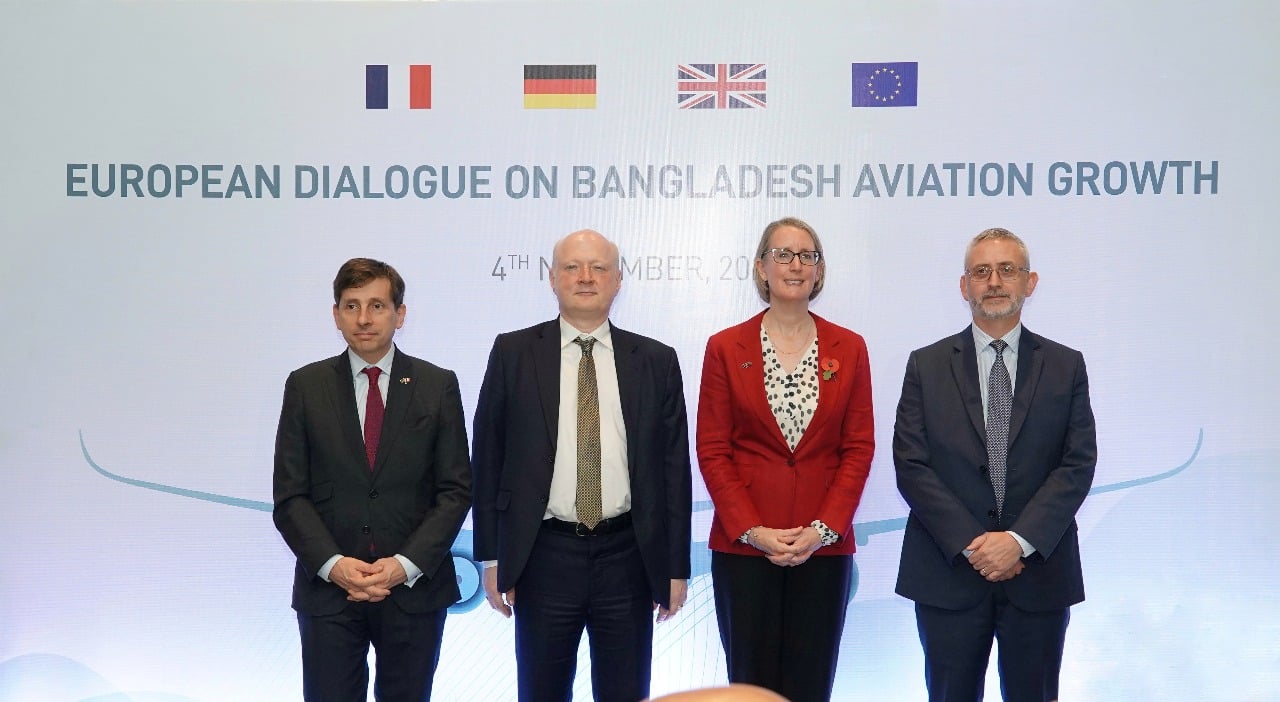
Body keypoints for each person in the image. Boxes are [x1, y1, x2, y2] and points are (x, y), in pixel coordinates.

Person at [471, 229, 693, 702]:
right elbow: (487, 459)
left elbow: (674, 471)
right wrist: (492, 558)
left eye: (599, 268)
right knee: (542, 691)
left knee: (626, 691)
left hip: (628, 556)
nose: (586, 277)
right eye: (572, 267)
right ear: (553, 278)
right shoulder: (513, 353)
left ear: (618, 280)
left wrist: (676, 567)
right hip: (543, 556)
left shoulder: (656, 360)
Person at [893, 227, 1097, 702]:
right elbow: (911, 464)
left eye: (1008, 269)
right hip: (948, 574)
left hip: (1039, 575)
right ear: (964, 286)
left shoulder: (1066, 365)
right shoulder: (926, 364)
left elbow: (1077, 463)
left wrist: (1017, 542)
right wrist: (975, 545)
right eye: (981, 271)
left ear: (1030, 282)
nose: (995, 281)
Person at [272, 258, 472, 701]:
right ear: (336, 315)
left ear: (400, 314)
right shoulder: (305, 386)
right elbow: (290, 496)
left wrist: (404, 565)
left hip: (414, 591)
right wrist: (333, 565)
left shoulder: (437, 385)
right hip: (329, 591)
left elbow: (455, 491)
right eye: (351, 306)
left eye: (377, 305)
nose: (364, 318)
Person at [696, 216, 875, 702]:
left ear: (819, 270)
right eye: (783, 255)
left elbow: (858, 448)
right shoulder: (725, 347)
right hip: (745, 549)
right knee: (750, 688)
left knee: (811, 685)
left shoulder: (850, 348)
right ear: (761, 267)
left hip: (823, 549)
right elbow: (713, 450)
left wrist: (824, 529)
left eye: (807, 256)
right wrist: (753, 530)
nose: (795, 265)